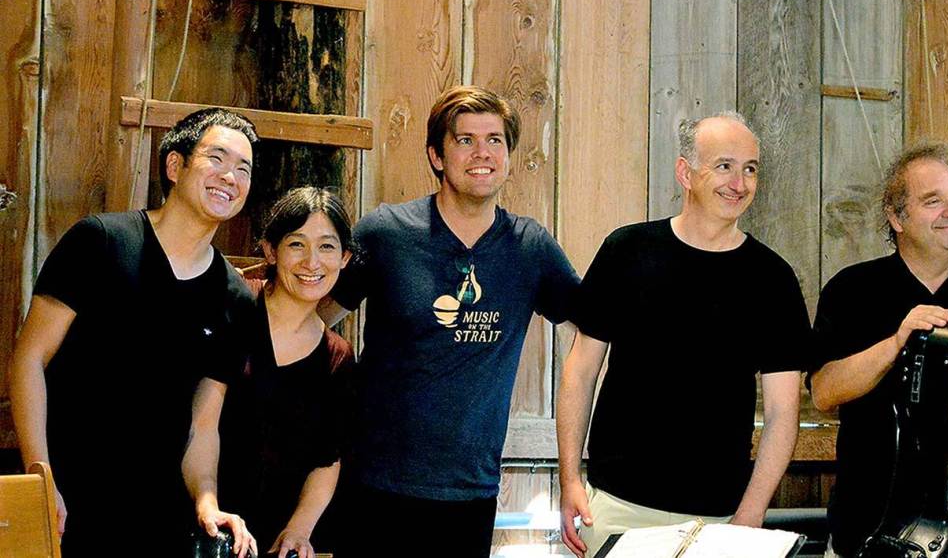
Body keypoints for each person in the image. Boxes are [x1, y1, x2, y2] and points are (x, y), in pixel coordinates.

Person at [326, 85, 581, 557]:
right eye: (466, 140)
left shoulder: (530, 248)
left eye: (495, 140)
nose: (482, 153)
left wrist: (572, 479)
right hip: (374, 485)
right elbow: (312, 316)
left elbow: (593, 334)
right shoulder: (386, 233)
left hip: (470, 493)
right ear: (437, 156)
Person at [557, 112, 810, 558]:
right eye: (724, 166)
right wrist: (570, 479)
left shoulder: (773, 279)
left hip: (719, 518)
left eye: (750, 169)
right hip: (614, 506)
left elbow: (782, 413)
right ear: (685, 173)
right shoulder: (626, 250)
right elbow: (580, 372)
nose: (739, 183)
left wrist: (749, 516)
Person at [10, 107, 259, 555]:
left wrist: (207, 501)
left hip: (155, 518)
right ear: (175, 166)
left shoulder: (235, 298)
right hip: (63, 503)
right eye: (217, 158)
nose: (230, 177)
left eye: (244, 169)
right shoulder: (100, 242)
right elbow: (30, 358)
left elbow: (203, 425)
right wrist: (39, 475)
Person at [808, 141, 948, 558]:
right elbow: (824, 392)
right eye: (932, 201)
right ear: (896, 217)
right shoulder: (852, 290)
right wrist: (895, 343)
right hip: (868, 530)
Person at [184, 187, 355, 558]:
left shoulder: (338, 357)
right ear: (270, 250)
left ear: (344, 258)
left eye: (327, 247)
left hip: (273, 539)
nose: (312, 262)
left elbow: (328, 460)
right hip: (202, 525)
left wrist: (298, 530)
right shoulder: (236, 306)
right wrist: (208, 504)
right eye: (297, 244)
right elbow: (202, 424)